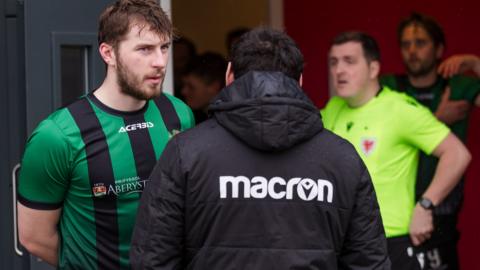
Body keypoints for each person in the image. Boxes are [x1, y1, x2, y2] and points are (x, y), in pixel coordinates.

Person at [130, 27, 391, 269]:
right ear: (299, 81)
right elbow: (369, 263)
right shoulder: (343, 159)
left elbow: (153, 259)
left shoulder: (186, 152)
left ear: (229, 75)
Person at [17, 0, 195, 268]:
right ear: (108, 53)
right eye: (145, 49)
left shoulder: (179, 113)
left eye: (164, 47)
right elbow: (35, 238)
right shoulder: (58, 135)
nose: (160, 62)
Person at [322, 31, 471, 270]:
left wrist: (425, 205)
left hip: (390, 242)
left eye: (349, 61)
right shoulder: (331, 109)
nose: (339, 70)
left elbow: (457, 154)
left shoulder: (400, 109)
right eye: (334, 62)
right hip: (341, 242)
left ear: (373, 69)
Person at [380, 13, 480, 269]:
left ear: (439, 49)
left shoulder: (458, 87)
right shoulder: (390, 87)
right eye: (406, 44)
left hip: (441, 210)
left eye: (421, 43)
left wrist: (474, 63)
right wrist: (437, 119)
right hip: (393, 213)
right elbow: (375, 134)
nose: (412, 50)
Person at [181, 51, 227, 123]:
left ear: (214, 87)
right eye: (184, 85)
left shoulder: (226, 121)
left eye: (191, 87)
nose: (183, 91)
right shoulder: (194, 116)